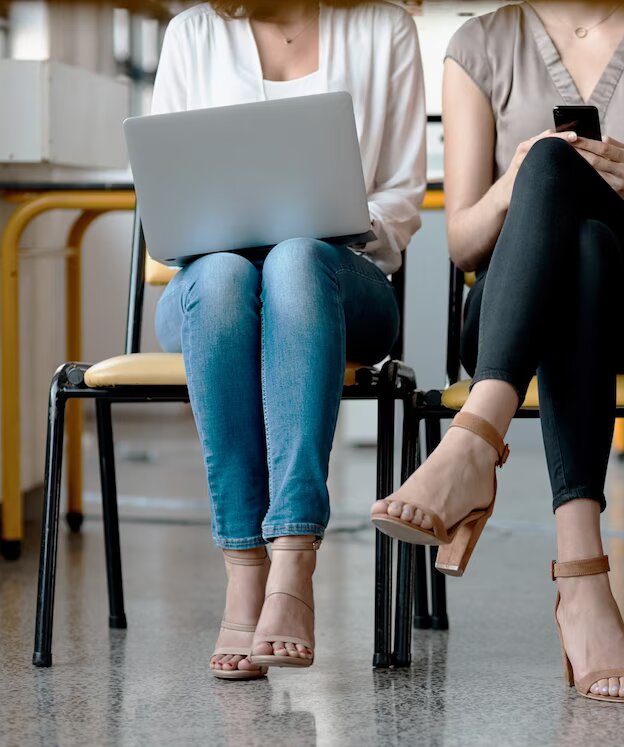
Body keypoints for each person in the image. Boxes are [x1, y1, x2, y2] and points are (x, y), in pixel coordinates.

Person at [369, 0, 624, 703]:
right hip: (509, 314)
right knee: (565, 203)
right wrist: (521, 178)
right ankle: (583, 582)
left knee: (593, 230)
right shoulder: (480, 44)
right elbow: (466, 242)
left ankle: (473, 442)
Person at [151, 0, 425, 679]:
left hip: (341, 280)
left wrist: (324, 222)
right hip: (207, 287)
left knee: (295, 259)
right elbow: (163, 194)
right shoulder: (193, 33)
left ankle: (293, 558)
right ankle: (246, 568)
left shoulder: (383, 28)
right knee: (220, 279)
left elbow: (401, 194)